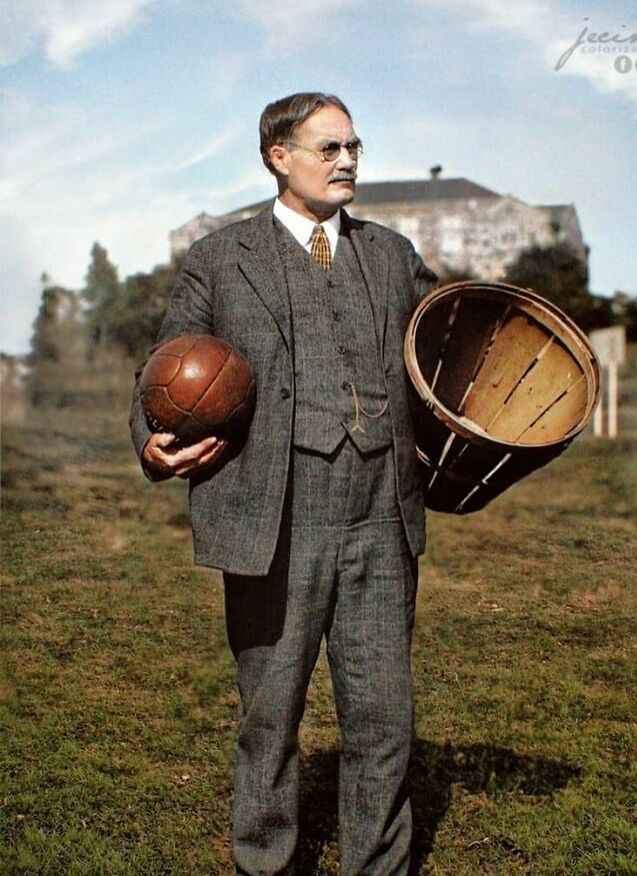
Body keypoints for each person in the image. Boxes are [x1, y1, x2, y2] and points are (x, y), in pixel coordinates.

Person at [130, 92, 437, 875]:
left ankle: (379, 866)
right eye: (329, 148)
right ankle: (263, 862)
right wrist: (153, 443)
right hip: (273, 522)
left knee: (382, 720)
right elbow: (161, 372)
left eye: (354, 148)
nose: (347, 162)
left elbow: (445, 352)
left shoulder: (395, 255)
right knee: (269, 720)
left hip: (380, 521)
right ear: (279, 156)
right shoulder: (220, 258)